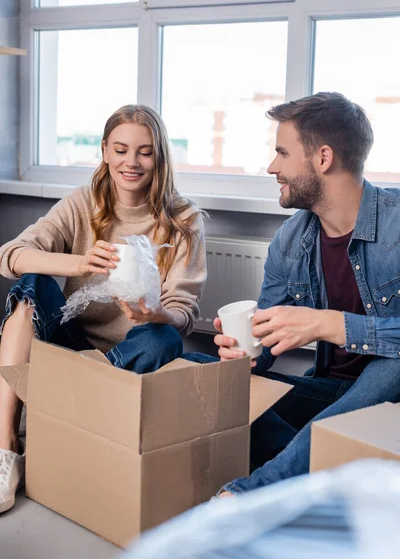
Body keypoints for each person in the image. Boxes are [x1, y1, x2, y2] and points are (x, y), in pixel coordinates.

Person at [183, 91, 400, 495]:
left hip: (391, 407)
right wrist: (246, 351)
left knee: (393, 364)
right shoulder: (291, 240)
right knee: (194, 368)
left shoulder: (397, 226)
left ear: (323, 158)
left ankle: (253, 491)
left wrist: (332, 325)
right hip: (330, 395)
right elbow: (265, 348)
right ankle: (309, 468)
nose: (271, 167)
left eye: (282, 153)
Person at [0, 104, 207, 512]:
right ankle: (6, 442)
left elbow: (183, 312)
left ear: (160, 156)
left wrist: (156, 313)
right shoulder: (82, 204)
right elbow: (10, 255)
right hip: (71, 345)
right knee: (33, 285)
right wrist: (75, 264)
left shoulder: (185, 220)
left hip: (124, 361)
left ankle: (73, 416)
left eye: (145, 152)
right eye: (121, 149)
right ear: (105, 151)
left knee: (162, 339)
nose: (132, 162)